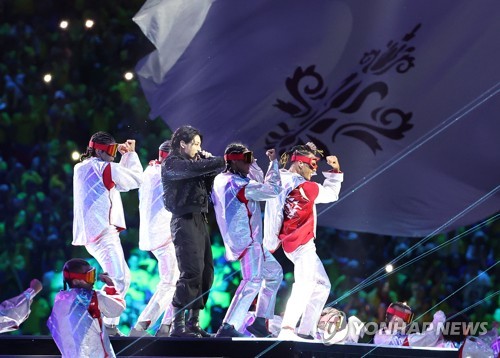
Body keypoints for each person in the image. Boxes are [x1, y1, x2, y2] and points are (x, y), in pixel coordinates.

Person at [263, 142, 343, 341]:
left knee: (322, 285)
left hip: (290, 240)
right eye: (312, 165)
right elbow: (332, 194)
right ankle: (288, 329)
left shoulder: (280, 178)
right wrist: (335, 170)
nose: (314, 171)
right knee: (305, 284)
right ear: (299, 164)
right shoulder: (305, 186)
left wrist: (274, 162)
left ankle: (305, 331)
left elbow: (275, 176)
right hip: (300, 242)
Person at [72, 131, 143, 335]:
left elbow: (119, 182)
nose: (113, 154)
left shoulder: (82, 168)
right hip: (103, 233)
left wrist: (120, 159)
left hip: (96, 233)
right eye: (111, 150)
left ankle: (109, 325)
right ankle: (93, 323)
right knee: (118, 279)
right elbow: (136, 180)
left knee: (123, 278)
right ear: (99, 151)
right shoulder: (103, 168)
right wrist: (129, 155)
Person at [211, 143, 283, 338]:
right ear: (235, 162)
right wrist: (274, 164)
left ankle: (260, 321)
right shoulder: (240, 185)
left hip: (245, 240)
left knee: (275, 273)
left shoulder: (221, 179)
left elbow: (257, 179)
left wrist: (257, 164)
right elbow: (273, 190)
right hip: (248, 241)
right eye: (247, 160)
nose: (249, 165)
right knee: (252, 281)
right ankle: (228, 326)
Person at [161, 125, 226, 338]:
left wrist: (213, 162)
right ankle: (177, 325)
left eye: (200, 144)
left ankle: (193, 323)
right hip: (183, 220)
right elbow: (196, 170)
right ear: (182, 144)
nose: (199, 148)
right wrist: (220, 160)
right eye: (195, 144)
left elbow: (210, 175)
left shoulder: (194, 163)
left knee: (206, 271)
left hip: (200, 219)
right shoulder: (172, 163)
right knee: (191, 271)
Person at [129, 140, 179, 337]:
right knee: (170, 282)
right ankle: (141, 327)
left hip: (155, 233)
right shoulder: (165, 174)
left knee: (177, 280)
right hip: (162, 235)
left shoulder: (151, 170)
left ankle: (167, 326)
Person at [47, 258, 125, 357]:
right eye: (89, 277)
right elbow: (117, 309)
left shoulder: (59, 300)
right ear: (75, 281)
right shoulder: (94, 297)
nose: (93, 281)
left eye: (93, 275)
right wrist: (110, 286)